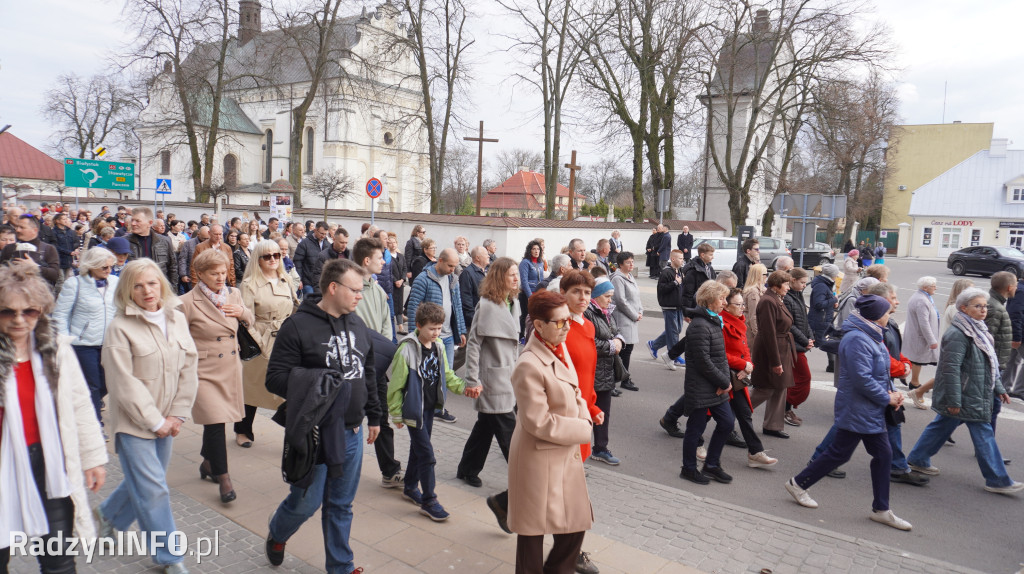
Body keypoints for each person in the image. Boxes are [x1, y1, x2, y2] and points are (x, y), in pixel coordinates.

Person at [263, 258, 382, 572]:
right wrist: (317, 382)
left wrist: (375, 415)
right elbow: (274, 377)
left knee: (341, 505)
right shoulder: (298, 326)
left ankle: (341, 567)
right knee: (307, 503)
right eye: (355, 290)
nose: (360, 296)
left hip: (352, 432)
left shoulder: (357, 323)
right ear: (333, 287)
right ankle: (278, 533)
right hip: (313, 434)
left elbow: (367, 372)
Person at [0, 264, 108, 572]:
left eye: (29, 312)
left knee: (59, 558)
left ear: (41, 310)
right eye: (8, 312)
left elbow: (80, 405)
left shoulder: (55, 349)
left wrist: (92, 459)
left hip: (50, 465)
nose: (19, 320)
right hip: (2, 464)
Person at [96, 259, 199, 573]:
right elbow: (122, 383)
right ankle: (169, 556)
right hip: (134, 423)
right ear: (127, 290)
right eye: (137, 286)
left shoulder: (177, 318)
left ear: (161, 284)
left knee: (144, 482)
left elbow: (189, 367)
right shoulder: (119, 327)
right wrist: (155, 421)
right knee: (153, 488)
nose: (147, 291)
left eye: (152, 283)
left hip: (169, 421)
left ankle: (108, 516)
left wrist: (178, 415)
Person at [783, 295, 914, 531]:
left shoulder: (871, 334)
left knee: (871, 455)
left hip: (868, 408)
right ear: (875, 315)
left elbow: (880, 373)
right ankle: (800, 484)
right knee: (845, 454)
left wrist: (892, 394)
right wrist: (887, 397)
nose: (891, 314)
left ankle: (881, 509)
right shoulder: (857, 339)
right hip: (858, 408)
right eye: (887, 311)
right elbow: (861, 378)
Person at [508, 290, 595, 574]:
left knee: (574, 525)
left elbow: (575, 389)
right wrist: (583, 428)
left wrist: (584, 412)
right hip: (539, 458)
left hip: (562, 453)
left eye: (568, 320)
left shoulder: (558, 345)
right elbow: (538, 422)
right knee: (532, 534)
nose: (567, 327)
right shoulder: (528, 365)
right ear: (539, 325)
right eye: (559, 322)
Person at [906, 287, 1023, 494]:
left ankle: (917, 459)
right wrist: (954, 401)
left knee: (941, 426)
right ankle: (997, 480)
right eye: (978, 306)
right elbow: (950, 370)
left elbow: (989, 364)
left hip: (973, 391)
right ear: (963, 308)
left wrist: (998, 388)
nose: (984, 310)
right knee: (983, 433)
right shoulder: (958, 334)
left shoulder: (978, 329)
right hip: (965, 394)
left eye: (985, 306)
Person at [387, 302, 480, 521]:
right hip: (413, 410)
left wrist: (463, 387)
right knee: (427, 456)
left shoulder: (438, 346)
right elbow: (396, 385)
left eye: (439, 328)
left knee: (418, 450)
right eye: (432, 328)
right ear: (419, 326)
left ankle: (410, 487)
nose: (436, 333)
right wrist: (396, 414)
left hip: (429, 409)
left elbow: (446, 374)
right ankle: (429, 500)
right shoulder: (406, 350)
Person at [180, 249, 253, 504]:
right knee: (216, 422)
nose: (221, 277)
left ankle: (208, 463)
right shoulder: (187, 302)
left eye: (223, 272)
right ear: (200, 274)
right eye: (214, 273)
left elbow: (250, 319)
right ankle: (224, 478)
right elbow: (178, 339)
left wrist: (241, 313)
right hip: (203, 371)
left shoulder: (234, 293)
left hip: (230, 368)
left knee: (217, 421)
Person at [456, 257, 520, 489]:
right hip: (493, 379)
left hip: (508, 375)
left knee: (484, 427)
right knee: (509, 435)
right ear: (498, 277)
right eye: (511, 274)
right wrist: (472, 379)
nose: (516, 278)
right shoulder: (487, 305)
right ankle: (527, 481)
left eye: (517, 274)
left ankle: (467, 469)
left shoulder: (513, 301)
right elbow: (473, 344)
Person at [237, 240, 296, 448]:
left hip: (286, 338)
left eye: (277, 255)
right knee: (252, 386)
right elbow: (245, 320)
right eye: (267, 256)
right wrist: (259, 342)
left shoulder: (285, 278)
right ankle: (243, 429)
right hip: (261, 338)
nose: (273, 259)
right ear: (258, 259)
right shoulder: (249, 284)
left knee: (290, 386)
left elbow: (294, 306)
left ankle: (295, 430)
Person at [678, 280, 736, 485]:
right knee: (695, 429)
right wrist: (724, 380)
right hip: (701, 387)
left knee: (727, 422)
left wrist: (726, 379)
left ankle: (711, 464)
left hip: (715, 386)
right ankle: (688, 468)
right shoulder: (700, 325)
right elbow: (703, 361)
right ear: (710, 299)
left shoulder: (713, 320)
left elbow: (720, 357)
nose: (724, 302)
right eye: (721, 298)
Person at [52, 246, 119, 424]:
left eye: (111, 266)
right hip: (83, 344)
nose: (109, 270)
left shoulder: (115, 282)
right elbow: (60, 314)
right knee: (93, 384)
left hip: (110, 342)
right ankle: (95, 423)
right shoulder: (74, 284)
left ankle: (89, 403)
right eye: (104, 267)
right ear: (91, 265)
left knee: (108, 383)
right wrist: (64, 342)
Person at [405, 248, 466, 424]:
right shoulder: (423, 279)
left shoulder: (453, 279)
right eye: (450, 265)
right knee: (428, 373)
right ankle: (423, 406)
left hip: (446, 336)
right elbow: (413, 308)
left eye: (455, 266)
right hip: (429, 337)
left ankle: (439, 408)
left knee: (445, 373)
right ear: (440, 260)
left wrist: (461, 330)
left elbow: (457, 307)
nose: (453, 269)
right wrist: (413, 336)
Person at [721, 288, 778, 469]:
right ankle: (696, 442)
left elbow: (745, 350)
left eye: (742, 304)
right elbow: (719, 353)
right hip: (723, 376)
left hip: (737, 376)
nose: (742, 308)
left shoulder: (740, 322)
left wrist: (748, 366)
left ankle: (755, 452)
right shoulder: (720, 323)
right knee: (706, 415)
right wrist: (742, 365)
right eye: (738, 304)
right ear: (726, 306)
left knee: (745, 414)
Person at [584, 278, 626, 467]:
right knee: (584, 415)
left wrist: (619, 341)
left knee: (603, 413)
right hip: (591, 371)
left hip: (606, 371)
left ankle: (600, 448)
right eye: (607, 296)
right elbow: (588, 342)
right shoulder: (587, 313)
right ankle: (577, 454)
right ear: (595, 296)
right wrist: (612, 345)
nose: (610, 300)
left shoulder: (606, 312)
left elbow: (616, 331)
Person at [750, 270, 796, 439]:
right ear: (776, 286)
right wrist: (776, 362)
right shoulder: (768, 301)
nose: (788, 288)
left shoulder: (775, 298)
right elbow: (768, 333)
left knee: (779, 388)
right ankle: (735, 411)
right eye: (786, 285)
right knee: (765, 388)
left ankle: (773, 425)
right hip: (772, 350)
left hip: (781, 348)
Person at [782, 268, 813, 427]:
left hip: (799, 344)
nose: (804, 285)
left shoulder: (798, 295)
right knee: (803, 378)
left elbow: (804, 320)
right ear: (792, 280)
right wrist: (804, 340)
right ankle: (785, 408)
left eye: (805, 283)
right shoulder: (787, 298)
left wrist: (810, 336)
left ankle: (785, 408)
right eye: (801, 282)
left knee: (795, 379)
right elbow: (790, 325)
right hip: (792, 345)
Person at [0, 215, 61, 289]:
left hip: (38, 296)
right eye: (17, 227)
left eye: (22, 227)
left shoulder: (48, 249)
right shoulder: (9, 248)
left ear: (34, 230)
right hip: (13, 295)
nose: (17, 230)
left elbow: (55, 275)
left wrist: (35, 267)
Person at [609, 252, 641, 391]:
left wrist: (640, 311)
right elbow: (621, 301)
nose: (631, 264)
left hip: (632, 318)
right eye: (628, 262)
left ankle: (624, 379)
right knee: (622, 351)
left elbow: (636, 297)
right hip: (623, 319)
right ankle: (614, 382)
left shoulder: (630, 276)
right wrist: (634, 315)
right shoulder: (617, 278)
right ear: (620, 264)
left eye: (632, 262)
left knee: (627, 350)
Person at [650, 249, 686, 370]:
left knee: (676, 330)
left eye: (683, 258)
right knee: (673, 332)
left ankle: (654, 345)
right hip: (669, 306)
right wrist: (675, 283)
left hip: (679, 306)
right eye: (680, 258)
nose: (682, 260)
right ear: (673, 259)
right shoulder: (666, 272)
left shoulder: (680, 270)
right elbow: (662, 289)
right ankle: (673, 356)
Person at [352, 237, 394, 340]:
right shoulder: (349, 291)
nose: (383, 262)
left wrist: (383, 347)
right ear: (367, 260)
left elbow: (386, 324)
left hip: (380, 352)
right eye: (379, 258)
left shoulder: (379, 290)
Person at [125, 207, 178, 289]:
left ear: (150, 223)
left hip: (161, 291)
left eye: (137, 221)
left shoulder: (164, 241)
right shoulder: (124, 242)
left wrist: (172, 291)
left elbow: (172, 268)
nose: (133, 224)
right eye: (132, 220)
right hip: (134, 291)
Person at [904, 276, 940, 390]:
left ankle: (912, 380)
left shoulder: (922, 297)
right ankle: (914, 382)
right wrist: (932, 340)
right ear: (925, 288)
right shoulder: (922, 300)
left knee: (916, 359)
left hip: (917, 335)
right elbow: (924, 323)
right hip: (920, 336)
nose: (936, 288)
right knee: (917, 360)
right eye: (933, 286)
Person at [809, 264, 840, 372]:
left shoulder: (825, 284)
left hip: (824, 318)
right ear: (833, 275)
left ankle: (832, 366)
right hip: (820, 319)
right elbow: (818, 304)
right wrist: (834, 300)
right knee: (814, 341)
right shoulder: (822, 285)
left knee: (828, 341)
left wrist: (832, 303)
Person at [293, 221, 330, 295]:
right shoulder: (304, 243)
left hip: (322, 282)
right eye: (321, 233)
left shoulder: (327, 245)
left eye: (325, 234)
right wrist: (299, 279)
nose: (323, 236)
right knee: (310, 304)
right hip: (308, 281)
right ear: (315, 230)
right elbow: (298, 262)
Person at [312, 227, 350, 295]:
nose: (344, 245)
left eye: (346, 243)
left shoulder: (350, 255)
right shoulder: (323, 256)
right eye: (341, 242)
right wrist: (320, 296)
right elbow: (317, 278)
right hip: (330, 293)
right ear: (334, 239)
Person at [519, 240, 545, 337]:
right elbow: (524, 281)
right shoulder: (525, 263)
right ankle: (521, 335)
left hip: (537, 293)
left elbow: (541, 279)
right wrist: (530, 296)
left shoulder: (540, 263)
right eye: (534, 249)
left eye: (538, 249)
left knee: (536, 316)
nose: (536, 251)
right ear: (530, 250)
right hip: (527, 293)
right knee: (526, 315)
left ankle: (533, 335)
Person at [459, 245, 488, 332]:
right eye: (486, 254)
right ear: (478, 258)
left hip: (484, 320)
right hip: (473, 323)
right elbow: (466, 300)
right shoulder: (467, 273)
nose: (488, 256)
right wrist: (474, 321)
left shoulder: (486, 271)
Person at [178, 226, 210, 293]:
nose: (206, 240)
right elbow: (182, 259)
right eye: (204, 238)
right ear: (198, 234)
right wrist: (183, 275)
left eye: (208, 238)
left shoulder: (210, 244)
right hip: (191, 276)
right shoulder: (189, 243)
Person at [387, 232, 408, 332]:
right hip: (392, 284)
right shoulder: (387, 256)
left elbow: (405, 268)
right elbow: (387, 270)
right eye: (390, 243)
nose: (393, 244)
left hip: (400, 284)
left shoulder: (401, 256)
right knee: (392, 305)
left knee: (399, 305)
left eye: (394, 242)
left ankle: (400, 326)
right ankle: (391, 326)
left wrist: (402, 279)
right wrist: (395, 281)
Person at [742, 263, 769, 340]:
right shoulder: (753, 292)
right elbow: (754, 315)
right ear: (759, 275)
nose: (766, 276)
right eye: (765, 274)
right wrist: (758, 335)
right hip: (752, 331)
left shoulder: (760, 289)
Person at [51, 212, 78, 279]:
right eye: (63, 219)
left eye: (66, 219)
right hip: (59, 259)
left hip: (68, 259)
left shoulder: (70, 231)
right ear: (57, 221)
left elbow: (76, 241)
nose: (66, 221)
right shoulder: (53, 232)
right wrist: (69, 252)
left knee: (67, 280)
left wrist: (76, 249)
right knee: (60, 280)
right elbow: (55, 246)